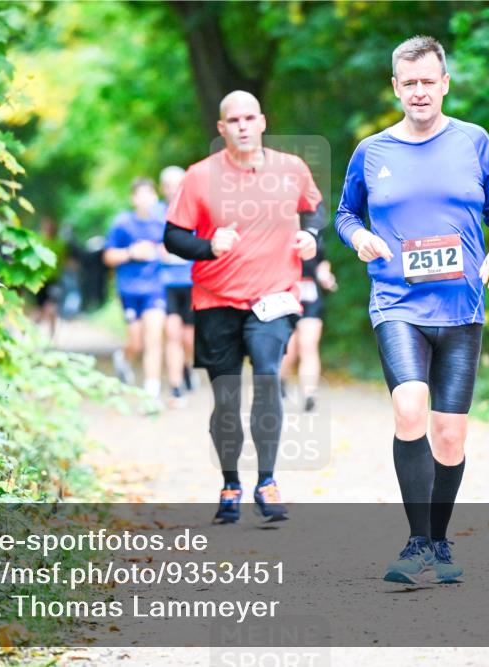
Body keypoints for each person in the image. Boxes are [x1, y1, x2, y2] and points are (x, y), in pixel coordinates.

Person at [335, 35, 489, 584]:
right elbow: (345, 214)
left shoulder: (474, 142)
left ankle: (439, 542)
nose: (418, 91)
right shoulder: (372, 151)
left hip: (461, 306)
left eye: (427, 82)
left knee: (450, 435)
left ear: (444, 84)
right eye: (407, 82)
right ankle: (416, 543)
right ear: (396, 87)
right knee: (410, 408)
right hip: (397, 302)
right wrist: (360, 237)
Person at [163, 90, 324, 523]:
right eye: (234, 120)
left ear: (263, 122)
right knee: (227, 397)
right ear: (222, 128)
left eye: (250, 118)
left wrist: (312, 237)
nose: (243, 126)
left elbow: (316, 211)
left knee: (268, 375)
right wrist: (207, 246)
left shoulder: (291, 169)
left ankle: (267, 481)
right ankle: (231, 482)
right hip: (215, 300)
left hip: (273, 296)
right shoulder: (198, 177)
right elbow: (173, 238)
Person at [103, 177, 167, 400]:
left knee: (154, 337)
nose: (145, 199)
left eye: (149, 194)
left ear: (155, 197)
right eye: (140, 195)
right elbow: (108, 257)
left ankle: (152, 390)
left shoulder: (162, 224)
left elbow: (171, 250)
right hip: (129, 289)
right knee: (136, 342)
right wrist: (131, 252)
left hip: (155, 289)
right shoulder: (122, 224)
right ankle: (124, 358)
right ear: (133, 199)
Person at [157, 165, 197, 407]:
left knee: (188, 339)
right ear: (162, 188)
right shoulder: (156, 215)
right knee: (172, 333)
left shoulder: (198, 212)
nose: (173, 190)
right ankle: (176, 388)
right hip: (165, 284)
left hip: (192, 283)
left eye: (178, 184)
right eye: (169, 185)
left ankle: (187, 367)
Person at [280, 242, 337, 412]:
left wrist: (325, 276)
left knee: (308, 345)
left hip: (310, 297)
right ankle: (280, 380)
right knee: (289, 349)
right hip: (285, 295)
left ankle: (309, 394)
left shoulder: (315, 232)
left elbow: (321, 262)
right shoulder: (277, 230)